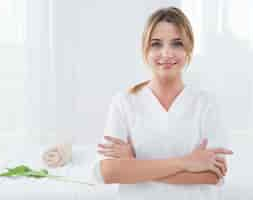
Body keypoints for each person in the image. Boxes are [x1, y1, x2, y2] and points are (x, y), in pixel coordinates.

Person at [92, 6, 233, 200]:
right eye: (156, 44)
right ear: (145, 49)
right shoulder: (124, 102)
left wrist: (134, 164)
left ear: (189, 49)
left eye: (177, 44)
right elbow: (108, 172)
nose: (166, 53)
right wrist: (186, 162)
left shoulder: (205, 104)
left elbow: (211, 175)